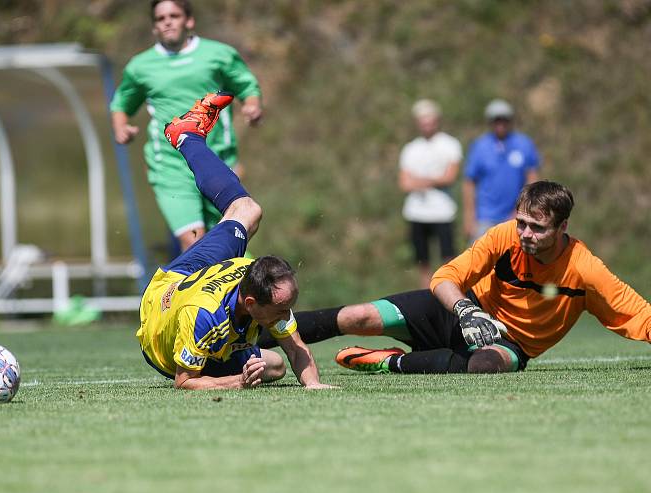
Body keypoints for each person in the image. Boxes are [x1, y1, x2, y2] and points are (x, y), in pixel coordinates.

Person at [258, 181, 651, 374]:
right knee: (355, 316)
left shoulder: (585, 269)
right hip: (458, 312)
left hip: (510, 344)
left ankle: (389, 364)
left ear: (562, 226)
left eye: (537, 228)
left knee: (482, 366)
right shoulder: (503, 237)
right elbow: (446, 277)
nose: (525, 234)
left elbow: (638, 315)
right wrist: (465, 309)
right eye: (522, 223)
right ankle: (247, 338)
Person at [137, 91, 331, 390]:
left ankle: (187, 135)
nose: (286, 316)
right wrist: (237, 382)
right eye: (281, 310)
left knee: (276, 364)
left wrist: (314, 384)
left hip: (199, 280)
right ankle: (186, 136)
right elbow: (184, 383)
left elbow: (295, 348)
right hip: (165, 307)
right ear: (251, 303)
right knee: (263, 365)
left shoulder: (259, 282)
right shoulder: (204, 316)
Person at [111, 0, 263, 253]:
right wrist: (120, 127)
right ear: (154, 27)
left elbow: (246, 85)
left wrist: (252, 105)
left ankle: (238, 290)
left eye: (174, 15)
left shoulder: (218, 55)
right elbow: (121, 103)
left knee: (235, 238)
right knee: (194, 241)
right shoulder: (141, 66)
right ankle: (193, 293)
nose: (167, 21)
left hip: (216, 161)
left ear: (189, 20)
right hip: (170, 166)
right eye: (160, 18)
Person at [398, 99, 463, 288]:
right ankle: (425, 296)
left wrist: (419, 181)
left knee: (448, 258)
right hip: (417, 212)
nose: (426, 124)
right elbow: (404, 182)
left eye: (430, 120)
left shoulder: (449, 144)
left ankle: (450, 293)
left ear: (437, 120)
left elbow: (450, 176)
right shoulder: (411, 148)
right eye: (422, 120)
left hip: (442, 211)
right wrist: (433, 180)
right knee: (422, 260)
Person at [463, 99, 540, 242]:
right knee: (480, 261)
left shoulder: (523, 144)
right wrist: (469, 217)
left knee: (515, 261)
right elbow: (469, 183)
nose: (500, 124)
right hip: (485, 218)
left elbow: (532, 179)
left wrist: (524, 208)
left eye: (504, 119)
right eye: (496, 120)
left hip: (516, 217)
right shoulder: (480, 146)